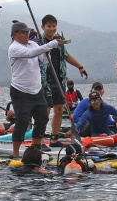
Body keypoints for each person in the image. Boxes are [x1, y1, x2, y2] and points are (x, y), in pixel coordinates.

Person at [8, 21, 60, 156]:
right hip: (20, 90)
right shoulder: (14, 48)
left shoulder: (33, 44)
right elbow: (31, 54)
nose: (27, 35)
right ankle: (15, 153)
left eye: (28, 32)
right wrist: (49, 44)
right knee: (22, 122)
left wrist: (48, 49)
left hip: (37, 90)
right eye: (24, 32)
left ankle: (36, 149)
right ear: (15, 34)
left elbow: (44, 60)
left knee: (42, 119)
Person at [39, 14, 88, 148]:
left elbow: (67, 56)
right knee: (45, 111)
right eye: (49, 26)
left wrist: (80, 66)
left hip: (59, 80)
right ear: (43, 27)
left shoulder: (59, 42)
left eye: (54, 26)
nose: (52, 28)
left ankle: (54, 140)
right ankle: (40, 140)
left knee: (59, 109)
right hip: (45, 81)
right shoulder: (39, 42)